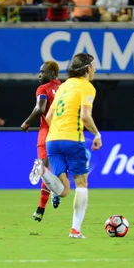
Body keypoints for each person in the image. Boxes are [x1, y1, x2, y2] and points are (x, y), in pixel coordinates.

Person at [28, 53, 101, 239]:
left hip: (52, 140)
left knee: (64, 190)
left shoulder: (64, 86)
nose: (94, 70)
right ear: (87, 68)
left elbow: (50, 117)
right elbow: (85, 116)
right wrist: (96, 134)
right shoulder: (87, 87)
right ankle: (75, 230)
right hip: (72, 138)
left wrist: (59, 132)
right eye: (93, 66)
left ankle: (43, 171)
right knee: (82, 183)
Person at [20, 61, 62, 222]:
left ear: (51, 73)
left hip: (46, 133)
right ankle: (56, 191)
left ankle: (40, 209)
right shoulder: (63, 87)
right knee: (58, 169)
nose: (39, 75)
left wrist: (27, 122)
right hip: (62, 132)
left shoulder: (42, 89)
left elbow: (40, 108)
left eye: (42, 72)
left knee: (45, 171)